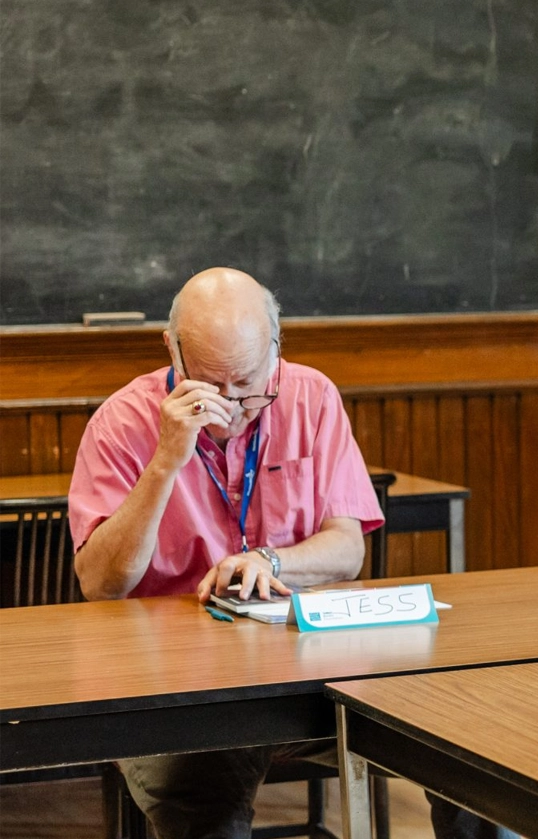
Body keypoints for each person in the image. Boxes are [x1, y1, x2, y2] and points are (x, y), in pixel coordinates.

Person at [68, 267, 508, 839]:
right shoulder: (120, 423)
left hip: (308, 670)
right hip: (176, 686)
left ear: (277, 345)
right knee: (202, 796)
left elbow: (347, 550)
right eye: (211, 385)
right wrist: (165, 462)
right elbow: (101, 586)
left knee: (470, 746)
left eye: (249, 384)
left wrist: (272, 560)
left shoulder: (311, 397)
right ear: (171, 349)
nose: (233, 406)